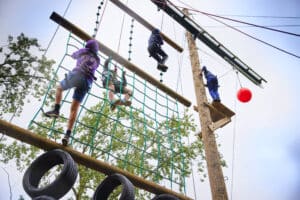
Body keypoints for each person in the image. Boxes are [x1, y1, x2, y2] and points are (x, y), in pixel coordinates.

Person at [44, 39, 100, 145]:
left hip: (77, 75)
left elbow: (73, 55)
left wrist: (78, 53)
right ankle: (67, 135)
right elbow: (95, 66)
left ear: (88, 46)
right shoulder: (97, 59)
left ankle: (56, 110)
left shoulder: (84, 50)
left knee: (59, 88)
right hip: (87, 82)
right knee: (74, 109)